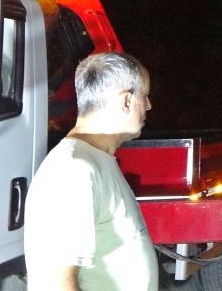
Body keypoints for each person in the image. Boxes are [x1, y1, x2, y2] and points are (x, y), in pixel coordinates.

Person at [24, 52, 158, 291]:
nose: (149, 105)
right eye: (145, 96)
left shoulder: (97, 160)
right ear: (126, 101)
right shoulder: (73, 169)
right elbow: (54, 283)